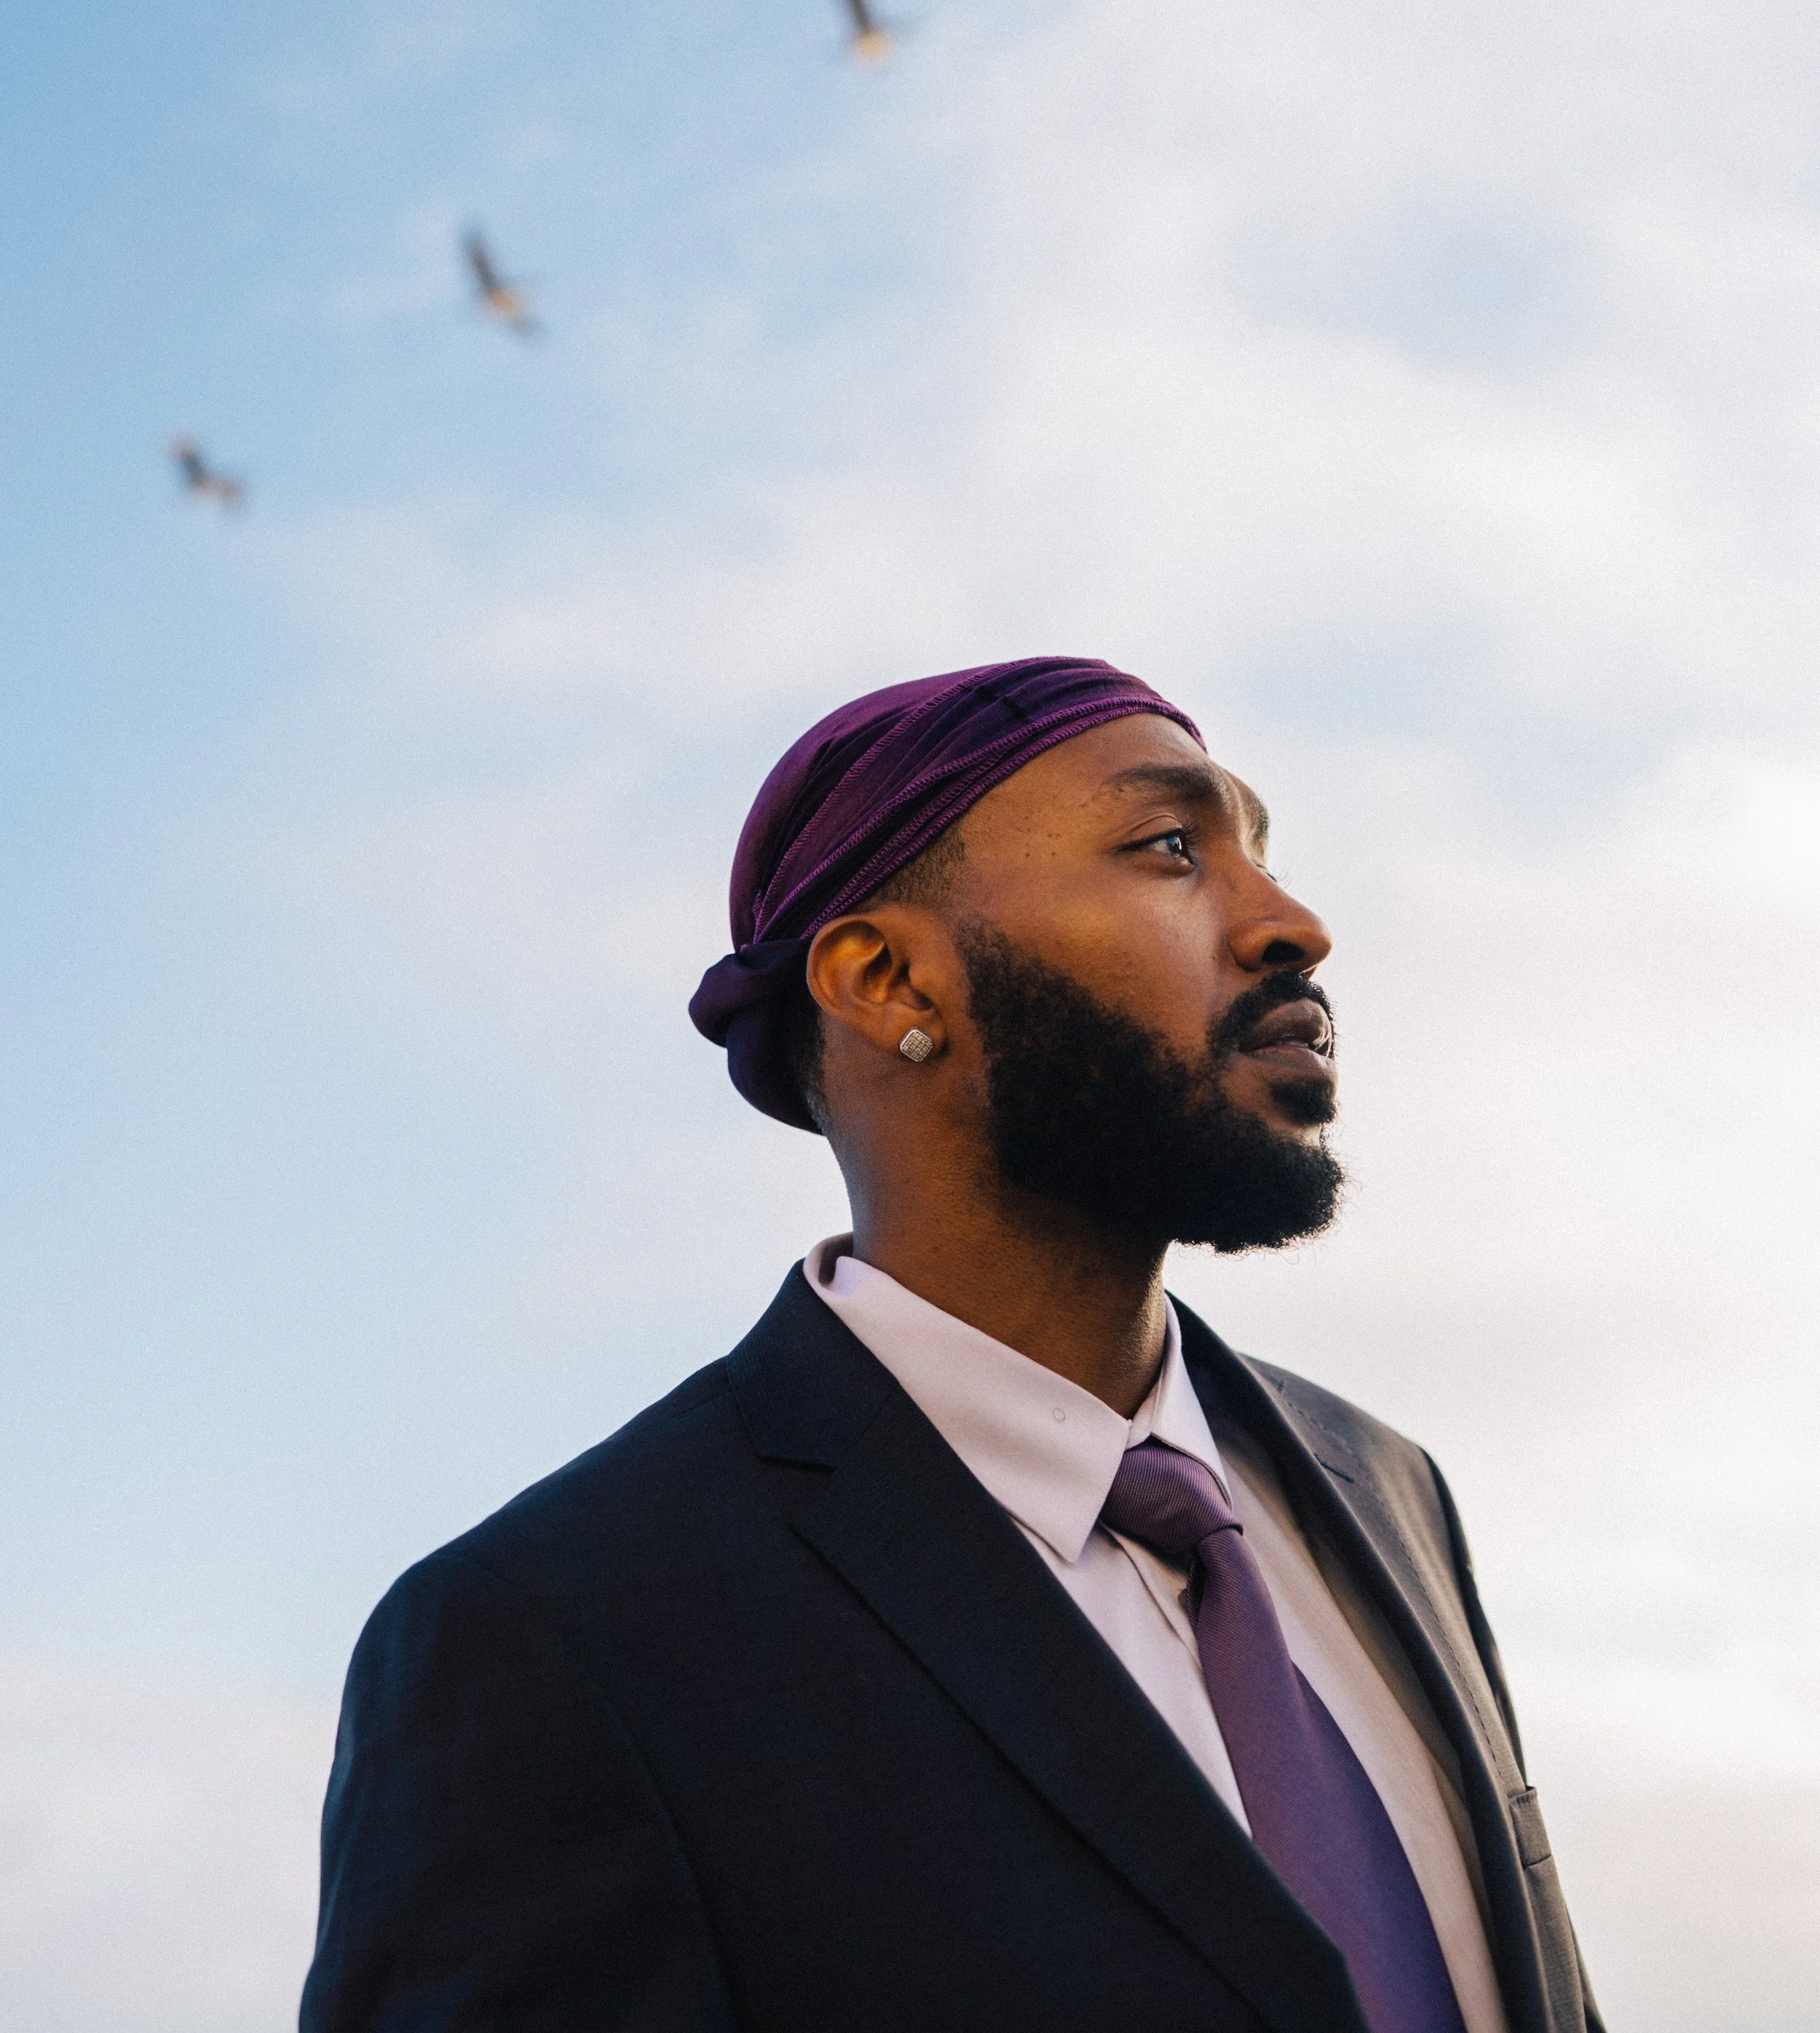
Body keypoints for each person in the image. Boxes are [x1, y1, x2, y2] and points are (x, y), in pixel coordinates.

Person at [301, 655, 1602, 2033]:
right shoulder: (556, 1635)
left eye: (1261, 854)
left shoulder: (1387, 1488)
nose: (1295, 924)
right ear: (887, 980)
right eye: (1172, 848)